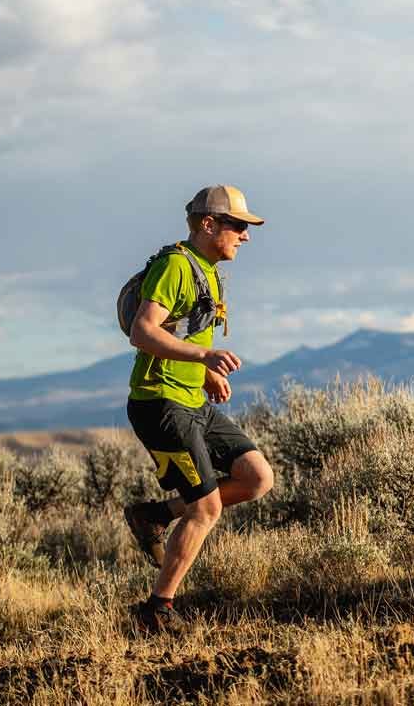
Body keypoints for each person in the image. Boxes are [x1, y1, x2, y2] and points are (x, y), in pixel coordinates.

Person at [124, 185, 274, 633]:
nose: (245, 236)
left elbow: (183, 333)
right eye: (239, 226)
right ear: (209, 225)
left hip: (190, 399)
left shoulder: (206, 270)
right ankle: (157, 610)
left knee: (256, 478)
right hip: (160, 403)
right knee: (206, 509)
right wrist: (204, 359)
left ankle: (155, 516)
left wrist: (205, 373)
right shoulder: (175, 266)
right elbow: (143, 331)